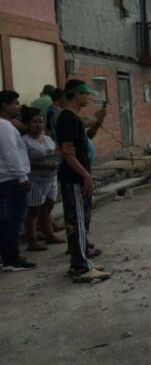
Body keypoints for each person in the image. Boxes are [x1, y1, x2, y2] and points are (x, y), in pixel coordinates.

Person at [56, 79, 110, 283]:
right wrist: (86, 175)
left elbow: (87, 136)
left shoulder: (73, 117)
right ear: (77, 94)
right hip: (74, 178)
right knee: (76, 221)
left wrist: (98, 120)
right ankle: (79, 267)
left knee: (82, 221)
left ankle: (83, 261)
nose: (89, 97)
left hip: (79, 176)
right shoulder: (68, 118)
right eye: (86, 94)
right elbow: (67, 153)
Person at [0, 90, 36, 271]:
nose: (18, 106)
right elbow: (11, 153)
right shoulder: (5, 127)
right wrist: (22, 177)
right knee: (12, 221)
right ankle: (11, 259)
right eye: (15, 103)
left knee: (4, 221)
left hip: (4, 179)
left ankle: (6, 257)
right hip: (11, 180)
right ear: (5, 106)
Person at [21, 106, 64, 251]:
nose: (38, 124)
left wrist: (56, 157)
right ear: (27, 124)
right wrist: (43, 165)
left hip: (51, 179)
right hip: (35, 181)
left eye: (40, 121)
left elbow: (55, 152)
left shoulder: (46, 138)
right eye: (35, 122)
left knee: (47, 209)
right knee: (34, 211)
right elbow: (23, 162)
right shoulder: (24, 141)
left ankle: (50, 235)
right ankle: (32, 241)